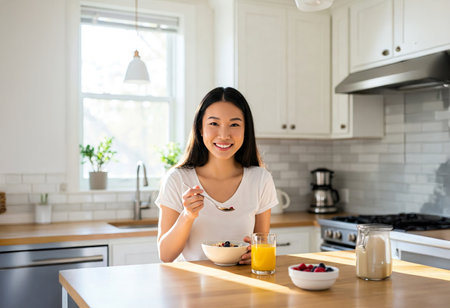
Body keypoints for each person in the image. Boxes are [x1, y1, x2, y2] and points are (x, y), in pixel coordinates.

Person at [155, 87, 278, 263]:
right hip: (191, 287)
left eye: (234, 124)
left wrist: (255, 253)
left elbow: (261, 243)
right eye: (214, 124)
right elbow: (166, 255)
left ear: (245, 130)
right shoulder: (178, 179)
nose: (224, 135)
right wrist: (187, 215)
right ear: (200, 128)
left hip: (242, 285)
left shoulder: (260, 179)